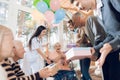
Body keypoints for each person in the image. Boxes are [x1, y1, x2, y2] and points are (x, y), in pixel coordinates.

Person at [70, 0, 120, 80]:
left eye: (78, 3)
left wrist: (112, 45)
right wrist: (95, 49)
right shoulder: (97, 13)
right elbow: (111, 35)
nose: (79, 8)